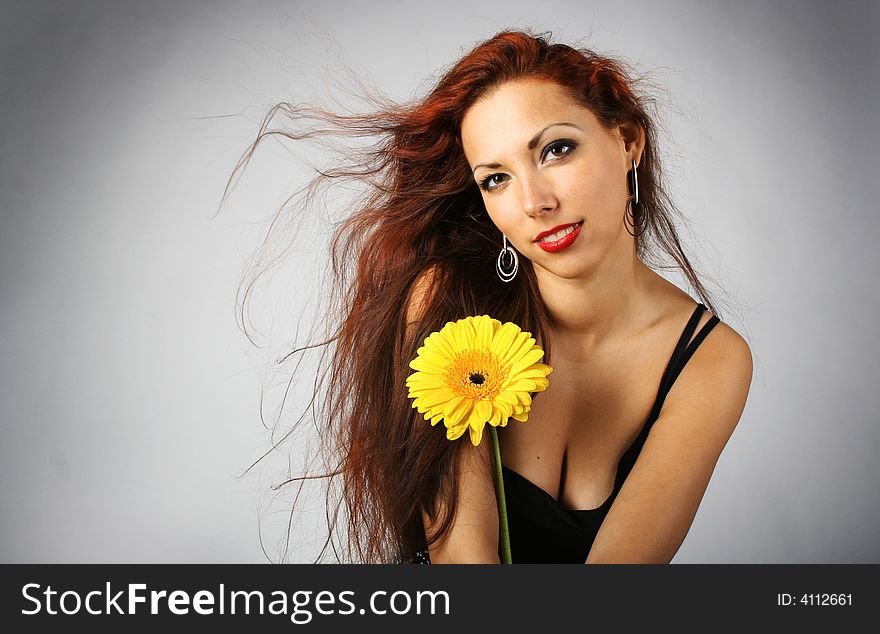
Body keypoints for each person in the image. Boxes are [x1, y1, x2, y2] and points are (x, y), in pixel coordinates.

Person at [229, 29, 753, 564]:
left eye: (556, 150)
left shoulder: (709, 360)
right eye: (496, 179)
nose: (533, 202)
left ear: (628, 143)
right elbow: (465, 563)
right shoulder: (449, 302)